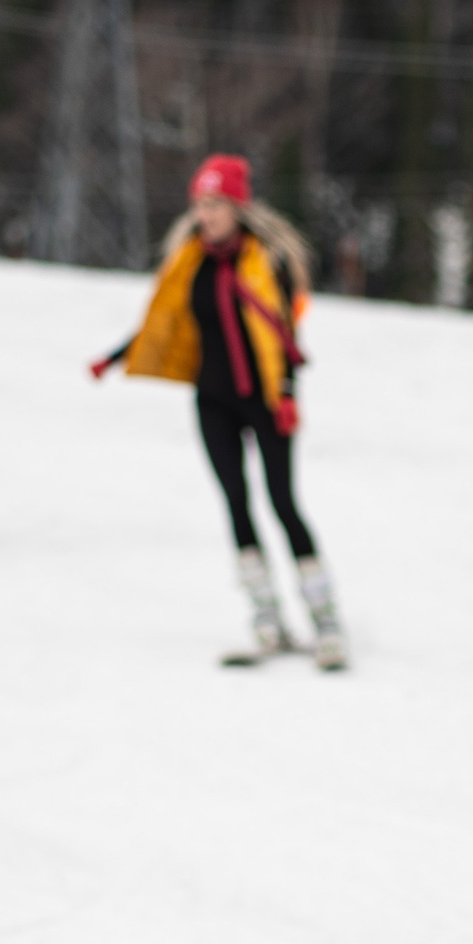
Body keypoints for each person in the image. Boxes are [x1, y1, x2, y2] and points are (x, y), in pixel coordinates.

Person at [97, 155, 343, 669]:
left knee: (282, 503)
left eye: (215, 204)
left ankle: (326, 624)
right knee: (236, 503)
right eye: (200, 204)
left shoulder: (264, 261)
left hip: (266, 400)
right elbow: (161, 322)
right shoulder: (190, 261)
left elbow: (283, 334)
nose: (205, 214)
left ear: (238, 207)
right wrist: (115, 357)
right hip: (213, 400)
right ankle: (267, 622)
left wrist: (290, 394)